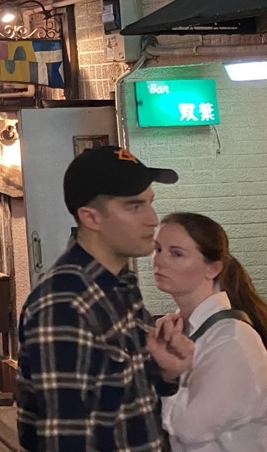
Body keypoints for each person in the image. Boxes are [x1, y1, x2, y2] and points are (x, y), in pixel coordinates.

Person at [16, 145, 195, 452]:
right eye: (134, 206)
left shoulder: (120, 286)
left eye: (150, 203)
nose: (153, 220)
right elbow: (66, 440)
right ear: (91, 217)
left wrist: (165, 373)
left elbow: (125, 407)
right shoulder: (65, 305)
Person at [152, 212, 267, 452]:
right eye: (157, 249)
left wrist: (169, 378)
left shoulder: (232, 339)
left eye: (176, 253)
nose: (159, 261)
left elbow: (189, 430)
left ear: (213, 268)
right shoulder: (185, 329)